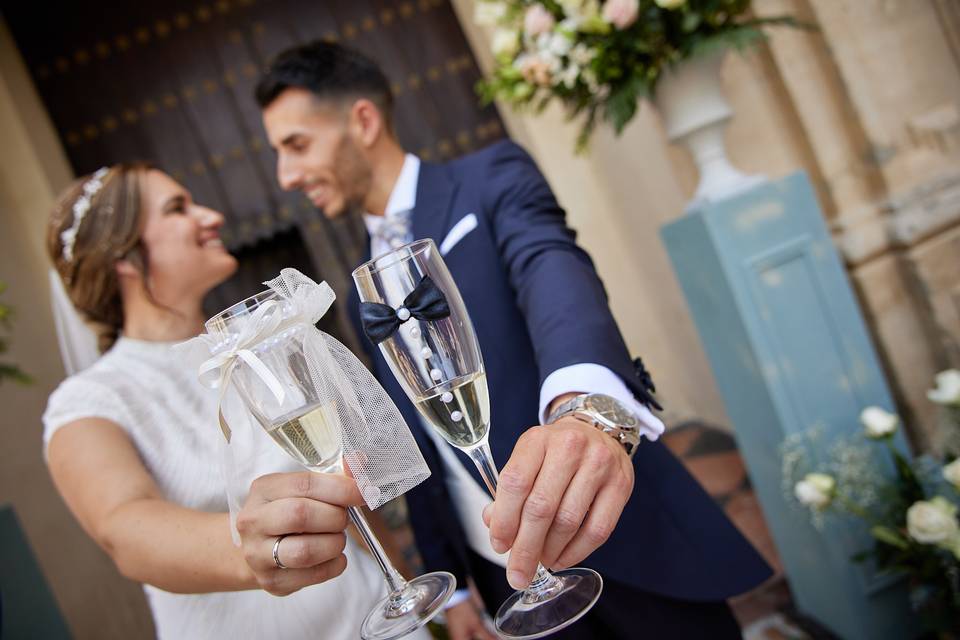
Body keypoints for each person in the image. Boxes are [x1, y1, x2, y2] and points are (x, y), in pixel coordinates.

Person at [255, 41, 774, 639]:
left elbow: (552, 272)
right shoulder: (357, 295)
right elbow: (414, 444)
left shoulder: (490, 177)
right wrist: (452, 587)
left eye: (296, 145)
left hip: (619, 537)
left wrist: (582, 408)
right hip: (508, 584)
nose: (286, 176)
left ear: (363, 121)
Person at [42, 164, 432, 640]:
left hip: (374, 619)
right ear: (122, 254)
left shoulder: (259, 346)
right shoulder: (91, 401)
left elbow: (341, 489)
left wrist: (408, 594)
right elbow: (124, 527)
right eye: (178, 209)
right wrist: (250, 552)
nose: (212, 216)